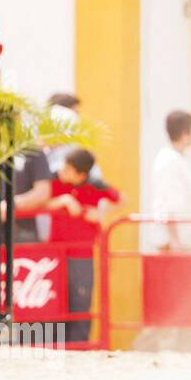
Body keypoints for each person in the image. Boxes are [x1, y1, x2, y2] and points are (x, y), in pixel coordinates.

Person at [46, 147, 120, 343]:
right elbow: (41, 202)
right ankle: (56, 344)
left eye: (68, 169)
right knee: (55, 302)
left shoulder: (95, 187)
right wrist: (64, 200)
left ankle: (80, 345)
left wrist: (100, 213)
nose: (62, 171)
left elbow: (120, 200)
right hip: (56, 254)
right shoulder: (55, 184)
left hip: (82, 254)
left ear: (81, 174)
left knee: (80, 302)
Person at [150, 110, 191, 252]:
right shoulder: (168, 161)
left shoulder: (185, 159)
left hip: (190, 237)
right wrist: (175, 241)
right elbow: (168, 203)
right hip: (176, 241)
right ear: (185, 133)